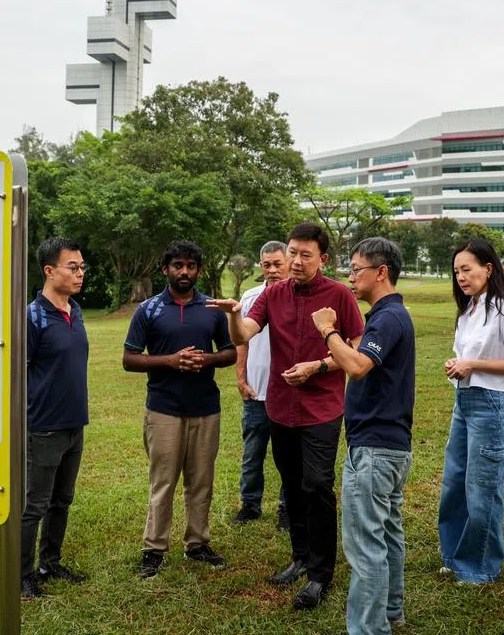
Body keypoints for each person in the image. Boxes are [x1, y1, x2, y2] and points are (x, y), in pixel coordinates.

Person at [208, 222, 365, 610]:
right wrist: (232, 314)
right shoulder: (273, 294)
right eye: (292, 252)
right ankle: (300, 556)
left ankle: (320, 573)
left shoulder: (340, 296)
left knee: (316, 485)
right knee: (293, 487)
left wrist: (319, 366)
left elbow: (357, 348)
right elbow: (244, 333)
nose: (295, 261)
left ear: (322, 259)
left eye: (304, 255)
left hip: (321, 409)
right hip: (280, 407)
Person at [311, 237, 415, 634]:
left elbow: (356, 366)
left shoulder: (387, 318)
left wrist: (327, 331)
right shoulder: (390, 315)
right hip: (390, 446)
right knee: (387, 535)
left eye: (357, 269)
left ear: (381, 272)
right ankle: (391, 611)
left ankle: (369, 628)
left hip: (374, 448)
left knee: (365, 546)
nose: (351, 277)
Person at [123, 241, 237, 579]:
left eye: (190, 266)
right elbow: (129, 359)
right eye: (177, 265)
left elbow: (230, 352)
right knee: (163, 482)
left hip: (205, 409)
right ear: (165, 269)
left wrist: (207, 359)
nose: (184, 272)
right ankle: (154, 549)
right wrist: (171, 361)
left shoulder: (213, 309)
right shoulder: (149, 309)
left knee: (201, 481)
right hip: (163, 410)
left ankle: (197, 543)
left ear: (198, 270)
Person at [439, 238, 504, 584]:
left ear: (488, 269)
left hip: (492, 403)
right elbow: (467, 356)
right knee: (454, 482)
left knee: (482, 486)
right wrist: (459, 363)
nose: (461, 277)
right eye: (456, 271)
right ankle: (453, 554)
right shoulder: (470, 308)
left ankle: (479, 566)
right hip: (465, 400)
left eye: (467, 269)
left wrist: (471, 364)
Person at [21, 237, 91, 599]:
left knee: (62, 500)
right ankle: (22, 575)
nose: (79, 273)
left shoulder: (74, 310)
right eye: (72, 267)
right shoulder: (32, 317)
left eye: (81, 267)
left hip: (74, 424)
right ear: (49, 271)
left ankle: (51, 563)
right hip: (42, 427)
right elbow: (17, 375)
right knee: (34, 505)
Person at [232, 241, 289, 529]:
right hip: (256, 391)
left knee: (288, 456)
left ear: (289, 262)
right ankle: (249, 504)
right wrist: (241, 379)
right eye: (267, 264)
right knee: (252, 452)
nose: (273, 269)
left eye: (278, 263)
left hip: (289, 393)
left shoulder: (297, 296)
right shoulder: (251, 296)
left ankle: (286, 509)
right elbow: (241, 341)